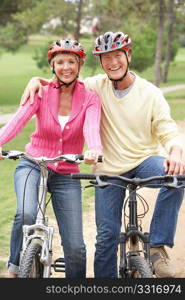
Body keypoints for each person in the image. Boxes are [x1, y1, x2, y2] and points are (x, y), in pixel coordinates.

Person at [20, 31, 185, 278]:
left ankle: (158, 247)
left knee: (179, 176)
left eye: (117, 55)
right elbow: (65, 78)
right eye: (105, 58)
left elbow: (167, 130)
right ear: (100, 62)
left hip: (143, 161)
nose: (112, 62)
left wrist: (176, 151)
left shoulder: (151, 93)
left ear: (128, 55)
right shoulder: (96, 86)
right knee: (106, 237)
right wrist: (37, 79)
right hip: (107, 169)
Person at [0, 38, 102, 278]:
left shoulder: (90, 97)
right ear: (52, 65)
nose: (65, 67)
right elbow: (18, 120)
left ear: (79, 65)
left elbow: (92, 129)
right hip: (33, 164)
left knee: (75, 246)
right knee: (25, 214)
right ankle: (15, 270)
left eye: (71, 62)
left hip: (67, 173)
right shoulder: (40, 92)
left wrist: (94, 149)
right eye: (60, 62)